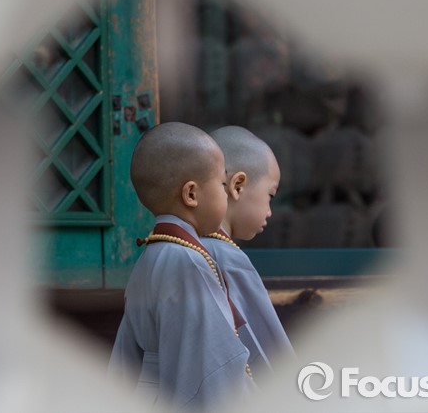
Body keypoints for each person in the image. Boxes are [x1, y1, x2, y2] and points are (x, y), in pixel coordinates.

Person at [109, 122, 255, 411]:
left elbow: (125, 357)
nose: (226, 195)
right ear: (191, 195)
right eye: (221, 185)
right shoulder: (188, 261)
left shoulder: (151, 254)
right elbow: (214, 371)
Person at [201, 126, 294, 378]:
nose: (270, 211)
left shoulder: (171, 248)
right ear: (238, 186)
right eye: (270, 195)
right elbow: (273, 354)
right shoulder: (228, 259)